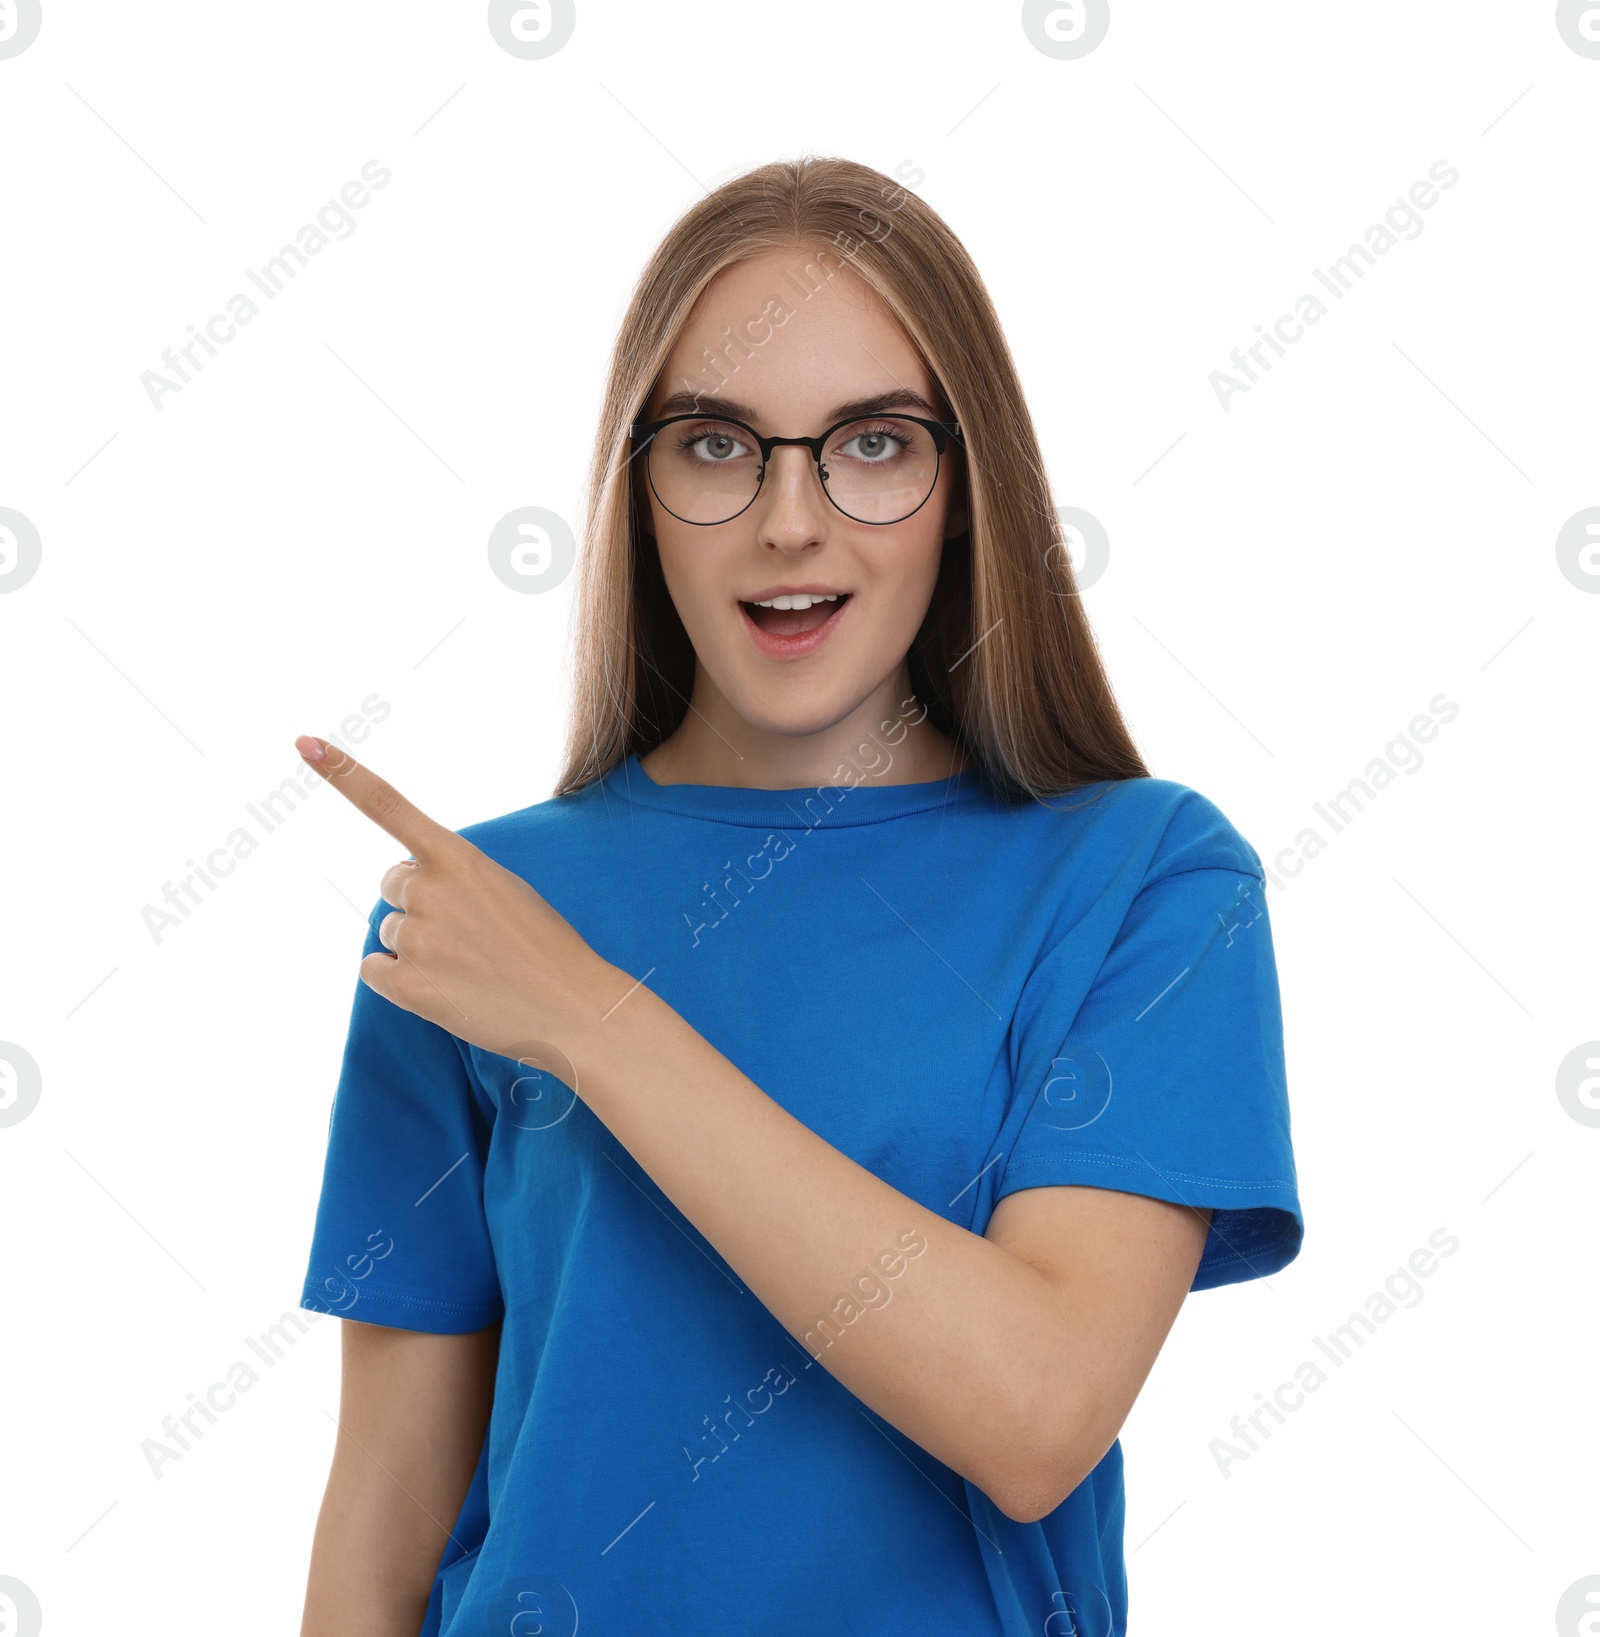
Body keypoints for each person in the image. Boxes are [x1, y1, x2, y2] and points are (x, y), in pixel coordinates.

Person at [294, 156, 1303, 1637]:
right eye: (717, 445)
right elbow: (380, 1524)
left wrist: (589, 1018)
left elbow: (1036, 1410)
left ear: (966, 488)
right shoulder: (478, 912)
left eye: (873, 444)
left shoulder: (1143, 877)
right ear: (639, 490)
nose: (789, 519)